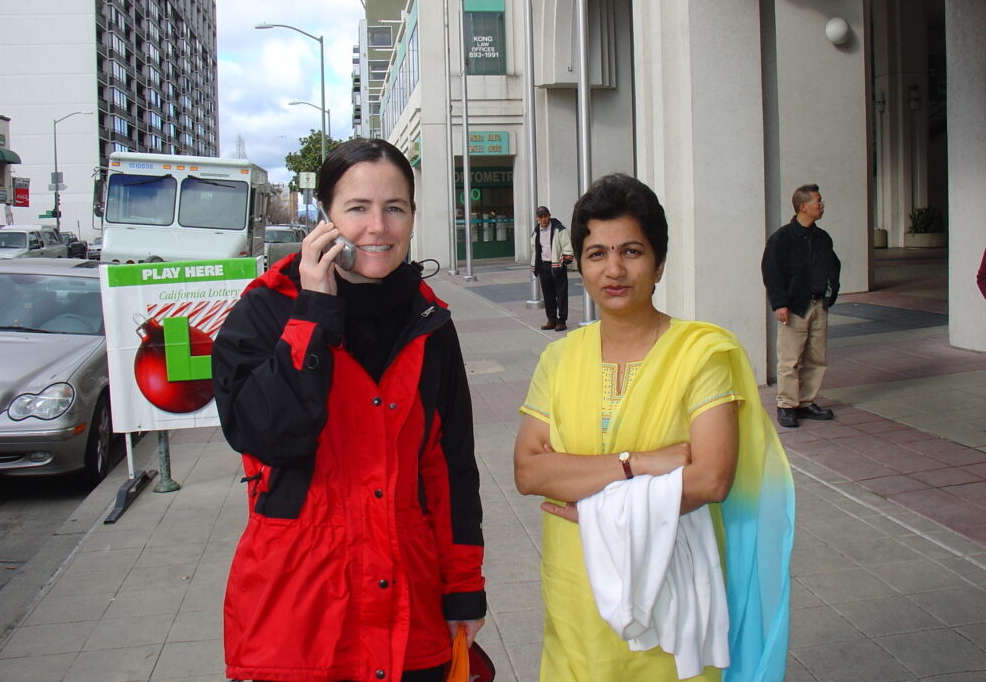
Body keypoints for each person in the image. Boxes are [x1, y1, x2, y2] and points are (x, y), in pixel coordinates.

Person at [213, 138, 486, 682]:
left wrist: (464, 586)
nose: (377, 228)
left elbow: (451, 464)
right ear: (326, 216)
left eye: (395, 208)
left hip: (409, 601)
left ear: (412, 214)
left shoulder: (430, 320)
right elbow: (268, 436)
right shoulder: (266, 308)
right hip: (301, 608)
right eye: (357, 208)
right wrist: (313, 314)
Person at [514, 174, 793, 682]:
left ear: (659, 263)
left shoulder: (701, 354)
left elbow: (710, 479)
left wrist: (593, 499)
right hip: (576, 594)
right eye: (597, 253)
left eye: (632, 251)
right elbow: (529, 471)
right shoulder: (558, 359)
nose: (614, 269)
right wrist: (639, 465)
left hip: (673, 594)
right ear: (579, 263)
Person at [761, 183, 841, 429]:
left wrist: (831, 291)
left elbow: (833, 265)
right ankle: (786, 405)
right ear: (803, 206)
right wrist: (780, 304)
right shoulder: (782, 238)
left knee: (817, 358)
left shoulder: (822, 237)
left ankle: (806, 403)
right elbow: (771, 272)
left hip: (818, 305)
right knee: (790, 359)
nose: (822, 205)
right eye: (818, 201)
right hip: (795, 307)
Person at [531, 205, 574, 331]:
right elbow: (534, 248)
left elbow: (567, 246)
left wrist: (563, 262)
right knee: (548, 295)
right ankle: (551, 319)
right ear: (537, 218)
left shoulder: (559, 229)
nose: (543, 219)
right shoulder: (536, 231)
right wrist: (536, 266)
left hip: (557, 265)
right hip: (544, 266)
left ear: (549, 216)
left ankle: (562, 321)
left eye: (545, 216)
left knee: (561, 295)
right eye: (541, 217)